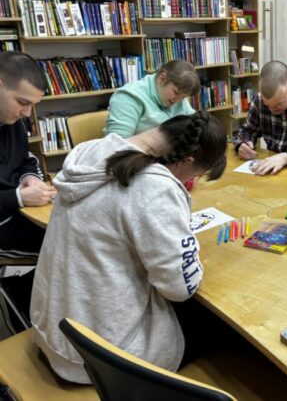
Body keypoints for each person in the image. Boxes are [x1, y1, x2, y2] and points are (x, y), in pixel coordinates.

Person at [30, 111, 227, 384]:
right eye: (196, 175)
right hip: (100, 360)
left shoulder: (89, 151)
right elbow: (180, 288)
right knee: (222, 328)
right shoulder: (154, 187)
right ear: (187, 161)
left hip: (54, 332)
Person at [0, 51, 56, 328]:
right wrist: (19, 197)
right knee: (66, 250)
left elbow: (25, 158)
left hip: (17, 214)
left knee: (76, 235)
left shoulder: (12, 121)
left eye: (33, 105)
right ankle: (19, 304)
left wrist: (31, 177)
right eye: (22, 102)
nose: (27, 113)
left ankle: (34, 299)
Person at [105, 60, 200, 138]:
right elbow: (118, 145)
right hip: (136, 154)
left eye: (184, 97)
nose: (179, 100)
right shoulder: (128, 96)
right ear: (162, 79)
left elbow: (196, 127)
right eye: (176, 92)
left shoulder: (178, 98)